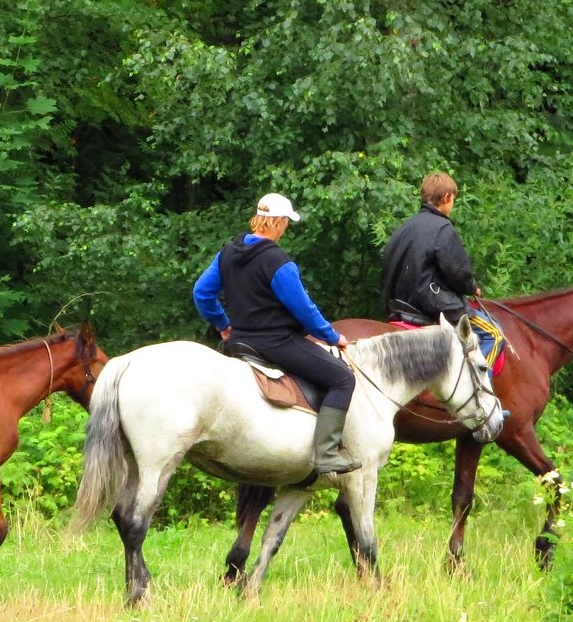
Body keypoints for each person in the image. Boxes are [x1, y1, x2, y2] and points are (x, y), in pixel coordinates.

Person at [193, 192, 360, 476]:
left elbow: (201, 293)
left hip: (239, 342)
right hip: (276, 343)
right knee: (342, 379)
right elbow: (304, 310)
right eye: (286, 223)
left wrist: (223, 324)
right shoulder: (278, 262)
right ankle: (327, 454)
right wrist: (333, 337)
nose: (286, 228)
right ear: (279, 222)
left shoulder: (228, 252)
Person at [381, 171, 501, 369]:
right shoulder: (442, 228)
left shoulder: (403, 228)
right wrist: (472, 288)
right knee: (493, 335)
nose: (452, 205)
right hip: (430, 304)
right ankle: (479, 390)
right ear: (446, 197)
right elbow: (457, 272)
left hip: (399, 304)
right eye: (453, 199)